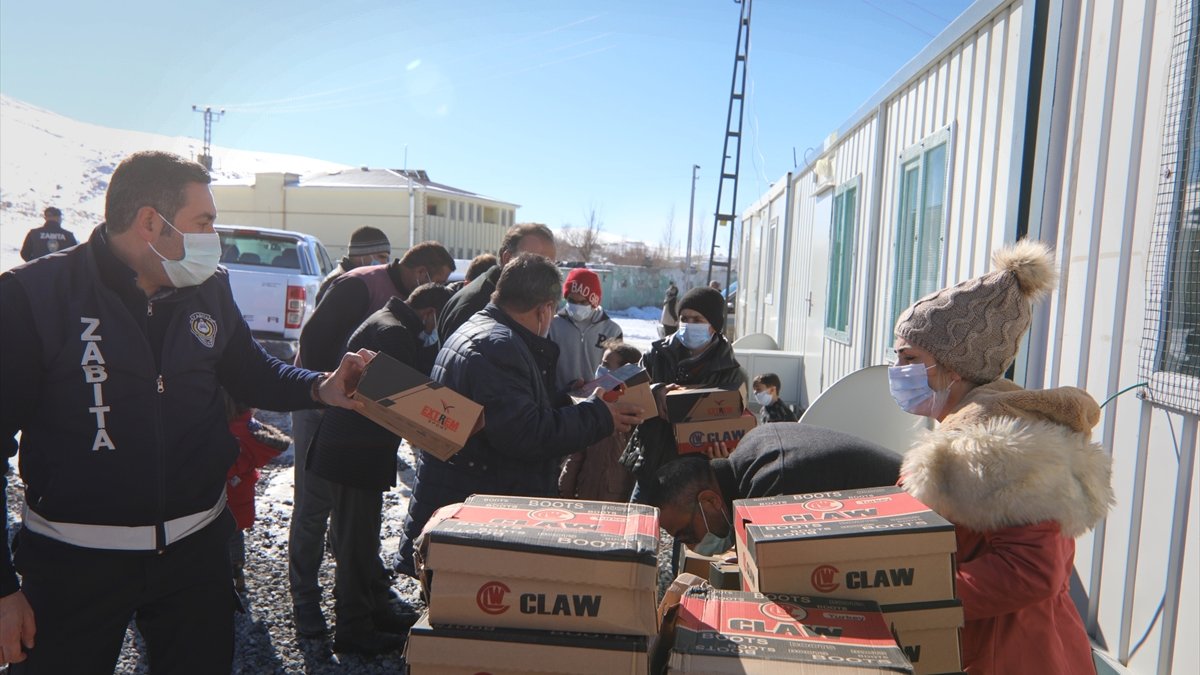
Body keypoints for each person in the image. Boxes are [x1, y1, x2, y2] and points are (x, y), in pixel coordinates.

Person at [0, 150, 369, 672]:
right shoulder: (30, 298)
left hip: (196, 557)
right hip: (72, 565)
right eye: (204, 222)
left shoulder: (208, 287)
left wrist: (322, 388)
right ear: (151, 222)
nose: (212, 238)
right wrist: (2, 591)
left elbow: (250, 370)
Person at [892, 240, 1114, 675]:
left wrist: (914, 595)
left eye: (909, 358)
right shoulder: (976, 430)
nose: (897, 369)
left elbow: (1034, 569)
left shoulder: (994, 447)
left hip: (1008, 655)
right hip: (1016, 646)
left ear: (953, 367)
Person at [396, 254, 645, 576]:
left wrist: (568, 398)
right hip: (474, 518)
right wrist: (600, 417)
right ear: (544, 309)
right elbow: (524, 433)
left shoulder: (485, 330)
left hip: (463, 503)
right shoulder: (498, 346)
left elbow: (513, 406)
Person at [288, 239, 453, 636]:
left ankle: (363, 609)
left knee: (352, 535)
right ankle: (339, 618)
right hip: (347, 437)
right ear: (428, 305)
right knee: (338, 529)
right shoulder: (380, 313)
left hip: (347, 440)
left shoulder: (389, 318)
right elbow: (405, 401)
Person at [641, 423, 902, 553]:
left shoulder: (773, 489)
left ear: (710, 501)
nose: (692, 547)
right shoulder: (753, 447)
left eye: (686, 534)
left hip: (920, 519)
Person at [620, 286, 747, 492]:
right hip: (652, 465)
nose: (689, 325)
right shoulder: (657, 354)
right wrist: (655, 391)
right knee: (641, 521)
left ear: (714, 325)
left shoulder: (731, 371)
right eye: (684, 318)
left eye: (697, 320)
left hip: (697, 475)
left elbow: (737, 422)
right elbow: (628, 393)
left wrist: (724, 452)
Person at [437, 223, 556, 343]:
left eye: (552, 265)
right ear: (508, 258)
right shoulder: (473, 305)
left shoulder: (527, 302)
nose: (547, 274)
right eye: (538, 263)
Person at [559, 339, 644, 502]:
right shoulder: (594, 407)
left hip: (616, 501)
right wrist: (565, 489)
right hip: (586, 493)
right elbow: (577, 455)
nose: (600, 369)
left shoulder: (635, 413)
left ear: (625, 373)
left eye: (606, 365)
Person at [224, 395, 291, 595]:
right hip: (241, 496)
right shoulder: (249, 431)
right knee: (235, 535)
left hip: (216, 498)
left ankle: (220, 575)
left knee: (213, 537)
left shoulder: (217, 431)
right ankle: (237, 574)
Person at [548, 267, 623, 391]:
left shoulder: (612, 330)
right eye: (572, 300)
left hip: (599, 400)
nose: (577, 306)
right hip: (560, 400)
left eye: (583, 302)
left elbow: (617, 372)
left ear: (594, 301)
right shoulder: (553, 326)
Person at [315, 226, 392, 305]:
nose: (385, 263)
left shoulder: (361, 280)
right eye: (382, 257)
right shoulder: (340, 283)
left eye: (387, 259)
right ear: (360, 255)